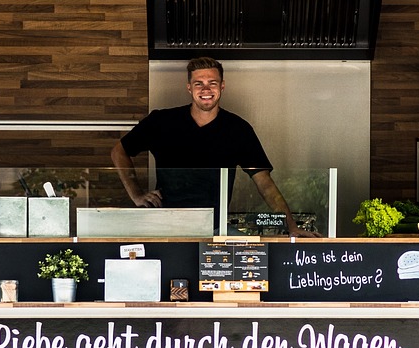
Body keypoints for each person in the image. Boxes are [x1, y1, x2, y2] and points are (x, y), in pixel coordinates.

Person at [111, 56, 317, 237]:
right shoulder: (161, 121)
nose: (206, 89)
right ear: (189, 87)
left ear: (222, 86)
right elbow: (119, 151)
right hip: (165, 225)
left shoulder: (238, 129)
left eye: (212, 82)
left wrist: (291, 226)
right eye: (199, 83)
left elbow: (264, 182)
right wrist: (136, 193)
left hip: (214, 229)